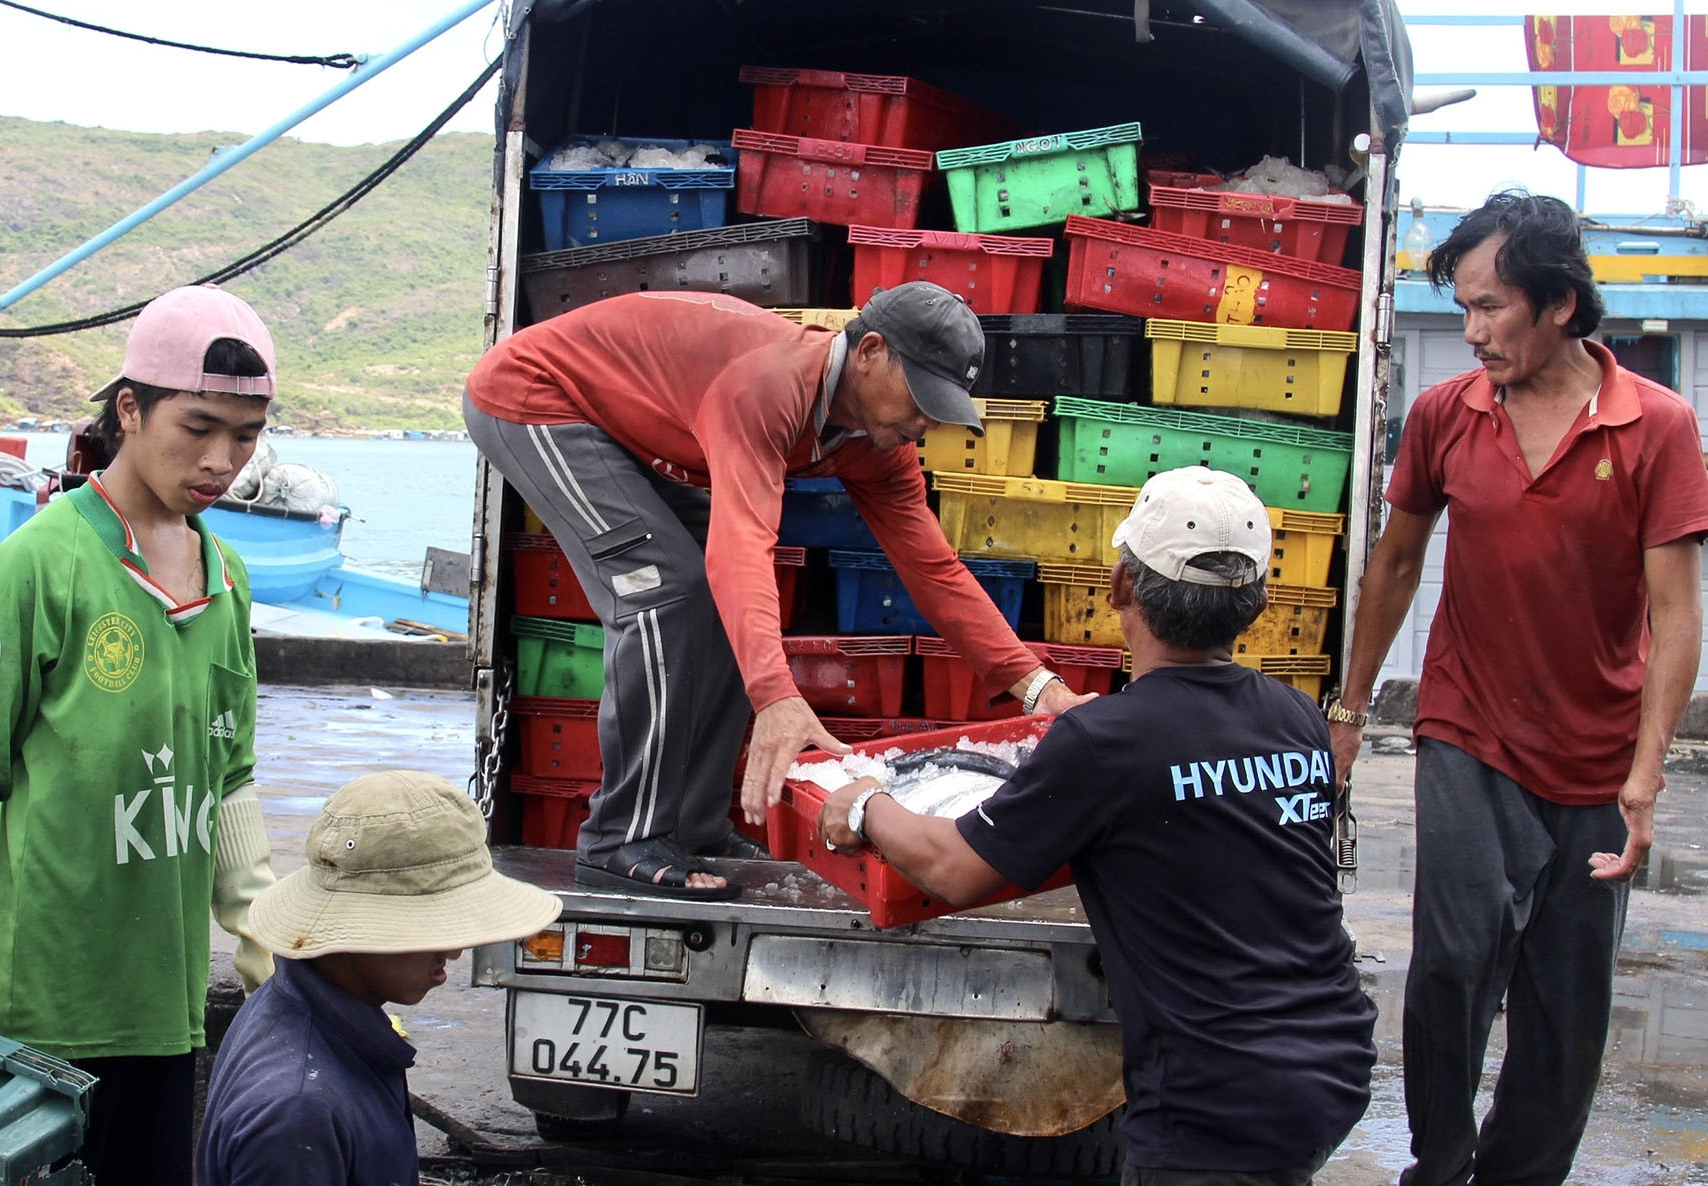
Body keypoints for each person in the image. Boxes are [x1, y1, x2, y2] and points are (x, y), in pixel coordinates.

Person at [819, 466, 1378, 1184]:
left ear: (1119, 587)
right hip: (1332, 1059)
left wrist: (864, 804)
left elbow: (952, 868)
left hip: (1214, 1101)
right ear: (1259, 604)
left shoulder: (1107, 743)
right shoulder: (1295, 716)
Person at [464, 282, 1092, 900]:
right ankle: (619, 837)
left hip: (636, 426)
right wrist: (775, 694)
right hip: (537, 398)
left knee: (722, 604)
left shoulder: (880, 443)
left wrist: (1039, 688)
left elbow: (934, 569)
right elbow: (741, 550)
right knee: (664, 592)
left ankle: (695, 826)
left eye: (943, 407)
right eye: (922, 397)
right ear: (870, 351)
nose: (925, 422)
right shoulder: (770, 387)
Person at [1327, 190, 1708, 1186]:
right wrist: (1349, 710)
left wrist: (1645, 772)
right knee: (1451, 962)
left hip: (1596, 755)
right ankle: (1439, 1162)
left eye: (1491, 307)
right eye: (1463, 308)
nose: (1472, 331)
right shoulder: (1444, 413)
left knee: (1566, 1005)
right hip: (1467, 728)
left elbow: (1677, 613)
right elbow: (1397, 562)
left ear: (1560, 305)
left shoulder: (1657, 426)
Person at [0, 284, 281, 1185]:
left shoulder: (226, 574)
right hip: (38, 1016)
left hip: (165, 1009)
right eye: (197, 427)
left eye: (246, 435)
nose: (221, 460)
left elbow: (228, 777)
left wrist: (268, 948)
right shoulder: (41, 562)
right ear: (129, 408)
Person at [196, 770, 563, 1186]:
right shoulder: (298, 1114)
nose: (454, 952)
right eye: (436, 926)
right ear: (357, 926)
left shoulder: (304, 1013)